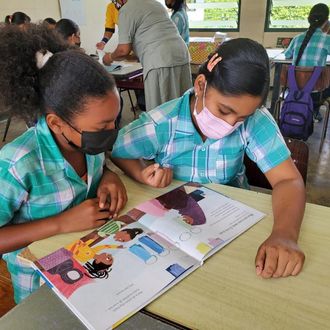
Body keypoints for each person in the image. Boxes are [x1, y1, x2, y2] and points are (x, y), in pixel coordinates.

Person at [111, 38, 306, 279]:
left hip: (232, 227)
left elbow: (288, 180)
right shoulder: (163, 123)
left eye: (242, 117)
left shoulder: (256, 121)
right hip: (174, 228)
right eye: (224, 111)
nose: (231, 124)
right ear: (201, 85)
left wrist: (284, 234)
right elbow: (119, 150)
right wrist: (141, 172)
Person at [0, 24, 127, 303]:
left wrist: (108, 177)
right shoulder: (16, 165)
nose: (111, 131)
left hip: (91, 265)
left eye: (114, 120)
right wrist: (60, 224)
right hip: (42, 287)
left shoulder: (84, 141)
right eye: (102, 126)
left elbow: (94, 168)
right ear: (57, 123)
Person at [103, 0, 192, 111]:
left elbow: (123, 50)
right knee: (182, 104)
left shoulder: (126, 10)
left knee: (159, 110)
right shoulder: (156, 4)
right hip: (181, 54)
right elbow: (153, 36)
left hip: (159, 59)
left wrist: (109, 57)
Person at [285, 3, 330, 121]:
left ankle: (311, 110)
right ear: (326, 21)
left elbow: (287, 55)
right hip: (315, 93)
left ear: (309, 19)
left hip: (294, 90)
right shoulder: (327, 39)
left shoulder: (297, 38)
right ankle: (313, 110)